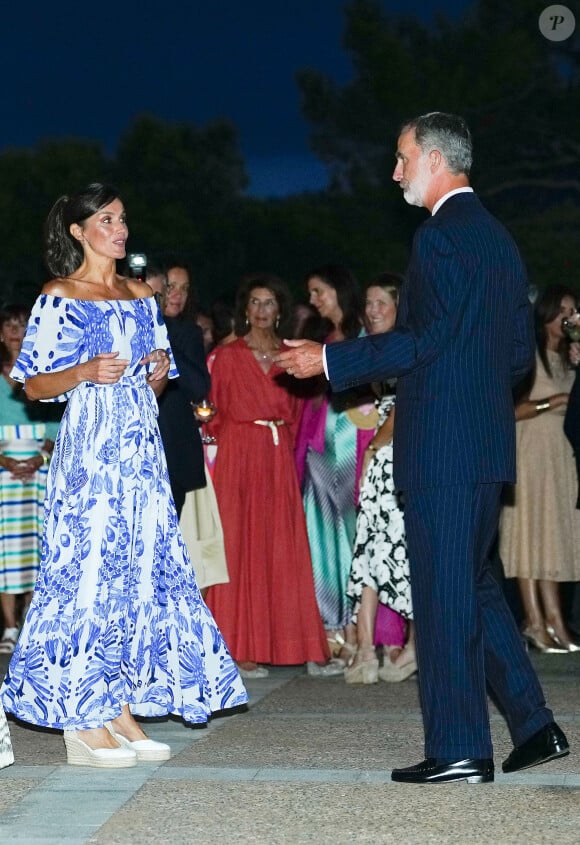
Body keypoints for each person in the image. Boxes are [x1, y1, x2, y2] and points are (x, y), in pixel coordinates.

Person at [277, 112, 568, 784]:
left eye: (403, 157)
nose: (395, 171)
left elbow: (422, 341)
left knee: (442, 599)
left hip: (441, 445)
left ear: (436, 159)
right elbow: (518, 354)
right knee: (474, 586)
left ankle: (461, 745)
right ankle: (534, 724)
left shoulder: (438, 238)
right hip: (484, 444)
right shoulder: (500, 242)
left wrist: (331, 357)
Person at [0, 183, 247, 768]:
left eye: (122, 219)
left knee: (136, 575)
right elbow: (32, 383)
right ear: (79, 232)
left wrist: (157, 371)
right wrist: (84, 368)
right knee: (87, 575)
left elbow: (155, 385)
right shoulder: (59, 296)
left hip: (140, 451)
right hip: (89, 454)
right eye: (106, 220)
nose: (120, 228)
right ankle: (82, 719)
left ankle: (117, 709)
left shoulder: (141, 297)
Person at [205, 274, 330, 678]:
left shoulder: (291, 356)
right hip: (239, 455)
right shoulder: (227, 357)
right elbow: (215, 412)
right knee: (238, 546)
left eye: (269, 303)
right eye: (255, 303)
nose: (261, 310)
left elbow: (298, 413)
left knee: (279, 547)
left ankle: (287, 644)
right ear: (245, 310)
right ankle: (237, 647)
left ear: (280, 311)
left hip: (276, 456)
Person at [294, 264, 374, 669]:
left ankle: (364, 634)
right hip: (321, 447)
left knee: (358, 537)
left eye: (317, 291)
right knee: (322, 536)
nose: (313, 300)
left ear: (338, 290)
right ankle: (331, 631)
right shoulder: (324, 340)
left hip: (355, 445)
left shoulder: (364, 337)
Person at [344, 275, 416, 685]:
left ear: (397, 305)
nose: (372, 310)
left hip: (401, 452)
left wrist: (373, 449)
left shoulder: (408, 343)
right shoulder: (374, 345)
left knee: (410, 551)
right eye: (367, 303)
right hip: (380, 456)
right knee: (369, 549)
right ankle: (366, 649)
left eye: (379, 302)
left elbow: (402, 407)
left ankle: (414, 649)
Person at [500, 285, 580, 652]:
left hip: (559, 457)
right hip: (529, 450)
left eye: (573, 309)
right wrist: (553, 402)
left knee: (551, 536)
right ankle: (533, 621)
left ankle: (556, 622)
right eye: (562, 309)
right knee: (528, 533)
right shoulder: (527, 356)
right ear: (546, 314)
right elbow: (508, 411)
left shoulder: (570, 356)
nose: (568, 316)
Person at [0, 305, 62, 653]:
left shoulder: (44, 376)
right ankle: (8, 626)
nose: (15, 331)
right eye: (9, 325)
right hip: (3, 470)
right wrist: (6, 460)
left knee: (40, 545)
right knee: (6, 547)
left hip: (41, 467)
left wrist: (40, 458)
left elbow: (56, 428)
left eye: (22, 325)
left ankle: (31, 619)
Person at [147, 265, 210, 517]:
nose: (177, 295)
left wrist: (163, 339)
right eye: (170, 287)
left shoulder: (186, 333)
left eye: (184, 289)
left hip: (173, 451)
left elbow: (199, 387)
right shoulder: (123, 328)